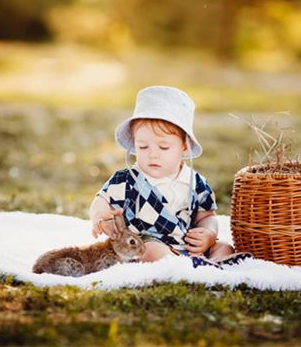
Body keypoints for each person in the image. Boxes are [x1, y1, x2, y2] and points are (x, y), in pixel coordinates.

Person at [88, 85, 235, 262]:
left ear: (185, 147)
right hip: (144, 243)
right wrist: (100, 217)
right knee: (152, 250)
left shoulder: (196, 182)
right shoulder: (126, 180)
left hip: (186, 246)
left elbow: (207, 216)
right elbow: (101, 200)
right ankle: (183, 267)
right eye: (143, 146)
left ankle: (208, 266)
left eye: (163, 147)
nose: (153, 154)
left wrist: (209, 234)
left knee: (225, 247)